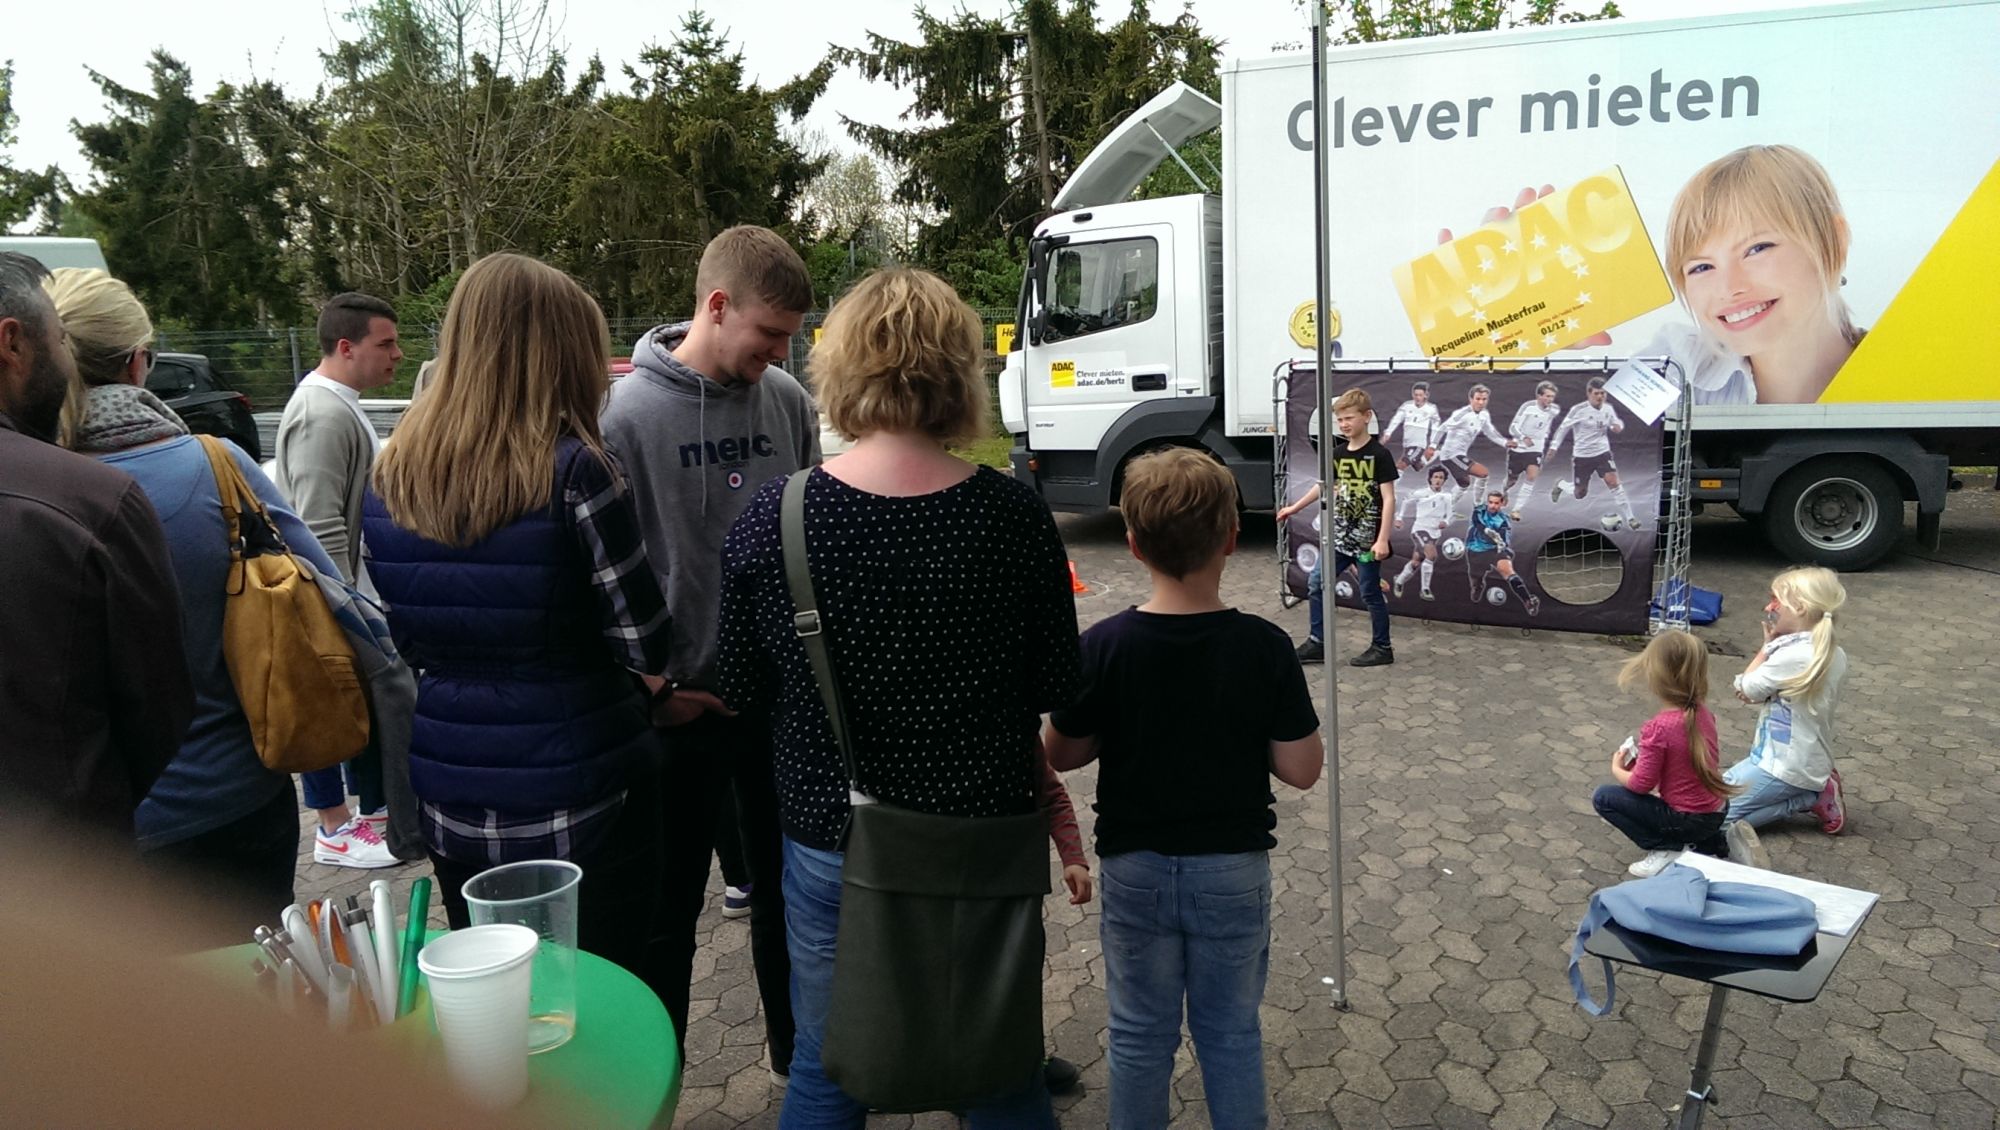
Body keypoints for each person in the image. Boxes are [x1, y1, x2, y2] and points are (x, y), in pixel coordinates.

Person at [715, 267, 1081, 1128]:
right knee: (995, 1062)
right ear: (960, 375)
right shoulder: (1013, 516)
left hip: (835, 834)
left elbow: (738, 686)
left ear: (840, 371)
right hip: (983, 836)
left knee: (830, 1058)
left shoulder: (777, 517)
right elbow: (1059, 685)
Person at [361, 253, 672, 986]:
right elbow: (644, 639)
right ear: (561, 352)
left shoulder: (392, 473)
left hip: (452, 793)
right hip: (586, 790)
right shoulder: (577, 471)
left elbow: (405, 635)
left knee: (505, 997)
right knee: (603, 994)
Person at [46, 268, 338, 937]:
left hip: (87, 836)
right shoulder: (214, 465)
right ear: (138, 361)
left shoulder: (30, 489)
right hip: (231, 803)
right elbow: (327, 594)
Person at [1044, 446, 1323, 1130]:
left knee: (1139, 1035)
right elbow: (1301, 769)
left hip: (1135, 865)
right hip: (1231, 868)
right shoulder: (1263, 646)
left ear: (1133, 544)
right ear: (1232, 538)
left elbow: (1063, 753)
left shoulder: (1104, 645)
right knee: (1231, 1034)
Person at [601, 224, 815, 1078]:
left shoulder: (788, 403)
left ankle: (799, 1063)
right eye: (769, 334)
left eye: (790, 339)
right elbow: (609, 574)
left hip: (778, 703)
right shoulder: (625, 417)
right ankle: (659, 1074)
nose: (779, 352)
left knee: (787, 897)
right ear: (717, 306)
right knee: (666, 912)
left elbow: (808, 537)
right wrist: (654, 689)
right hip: (676, 711)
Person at [0, 252, 192, 838]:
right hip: (67, 872)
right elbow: (158, 709)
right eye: (59, 340)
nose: (66, 358)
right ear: (12, 343)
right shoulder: (92, 502)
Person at [276, 291, 404, 868]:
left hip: (349, 589)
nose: (397, 355)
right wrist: (342, 608)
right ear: (346, 347)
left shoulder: (339, 402)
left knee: (354, 703)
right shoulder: (320, 413)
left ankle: (368, 814)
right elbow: (316, 519)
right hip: (331, 595)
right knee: (325, 701)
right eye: (386, 343)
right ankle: (333, 828)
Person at [1618, 144, 1861, 406]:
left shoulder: (1904, 367)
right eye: (1701, 267)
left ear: (1834, 242)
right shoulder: (1676, 366)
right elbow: (1591, 427)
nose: (1729, 288)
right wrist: (1568, 343)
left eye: (1756, 249)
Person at [1592, 630, 1736, 877]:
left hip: (1688, 819)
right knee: (1691, 816)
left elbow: (1640, 784)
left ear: (1657, 677)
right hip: (1717, 811)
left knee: (1604, 797)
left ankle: (1666, 849)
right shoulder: (1702, 713)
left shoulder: (1659, 728)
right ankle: (1714, 844)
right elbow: (1682, 764)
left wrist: (1617, 769)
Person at [1723, 566, 1850, 836]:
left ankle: (1810, 797)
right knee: (1709, 799)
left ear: (1800, 607)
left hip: (1785, 767)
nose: (1768, 606)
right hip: (1790, 759)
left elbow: (1745, 688)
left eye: (1775, 599)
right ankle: (1811, 789)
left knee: (1712, 822)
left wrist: (1766, 647)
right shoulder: (1832, 651)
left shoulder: (1791, 655)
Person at [1279, 388, 1397, 667]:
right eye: (1340, 420)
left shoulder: (1379, 455)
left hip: (1367, 542)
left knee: (1369, 592)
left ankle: (1382, 647)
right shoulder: (1337, 453)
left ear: (1366, 417)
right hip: (1338, 540)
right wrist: (1294, 507)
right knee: (1316, 584)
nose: (1344, 424)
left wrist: (1382, 540)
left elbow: (1389, 498)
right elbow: (1325, 487)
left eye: (1349, 418)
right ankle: (1317, 642)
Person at [1548, 377, 1641, 531]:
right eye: (1597, 393)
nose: (1600, 397)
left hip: (1602, 453)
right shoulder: (1578, 410)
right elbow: (1563, 428)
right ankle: (1561, 484)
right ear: (1589, 393)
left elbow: (1616, 422)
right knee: (1580, 494)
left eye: (1603, 393)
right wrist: (1554, 446)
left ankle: (1630, 518)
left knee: (1613, 482)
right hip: (1582, 456)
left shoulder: (1608, 408)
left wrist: (1617, 426)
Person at [1429, 382, 1509, 515]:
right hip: (1451, 455)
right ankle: (1478, 506)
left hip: (1459, 454)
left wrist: (1505, 443)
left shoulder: (1484, 415)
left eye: (1484, 399)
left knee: (1464, 484)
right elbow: (1443, 427)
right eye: (1478, 399)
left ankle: (1445, 510)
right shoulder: (1462, 414)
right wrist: (1432, 446)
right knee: (1483, 473)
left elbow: (1490, 432)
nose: (1481, 402)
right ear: (1471, 399)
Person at [1464, 490, 1541, 616]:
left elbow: (1504, 540)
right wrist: (1488, 531)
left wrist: (1500, 543)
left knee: (1508, 572)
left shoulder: (1504, 520)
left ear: (1502, 504)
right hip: (1475, 550)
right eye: (1490, 502)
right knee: (1476, 582)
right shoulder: (1479, 511)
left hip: (1494, 550)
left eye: (1496, 503)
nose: (1492, 506)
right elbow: (1478, 524)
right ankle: (1477, 588)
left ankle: (1528, 601)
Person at [1390, 465, 1457, 601]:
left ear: (1444, 481)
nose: (1438, 480)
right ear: (1430, 479)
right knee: (1431, 555)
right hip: (1420, 530)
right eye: (1436, 477)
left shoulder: (1447, 497)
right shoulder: (1420, 493)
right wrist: (1399, 518)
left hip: (1435, 533)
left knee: (1416, 562)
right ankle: (1425, 589)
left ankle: (1399, 581)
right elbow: (1405, 501)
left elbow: (1450, 515)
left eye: (1441, 478)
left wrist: (1446, 522)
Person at [1503, 380, 1561, 521]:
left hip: (1536, 449)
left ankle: (1516, 510)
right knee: (1512, 479)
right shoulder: (1528, 407)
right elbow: (1513, 428)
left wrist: (1548, 439)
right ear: (1539, 396)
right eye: (1547, 396)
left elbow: (1548, 425)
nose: (1549, 400)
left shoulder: (1554, 410)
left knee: (1531, 477)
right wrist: (1523, 437)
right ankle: (1504, 491)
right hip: (1519, 448)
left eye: (1552, 397)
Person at [1378, 379, 1440, 473]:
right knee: (1418, 466)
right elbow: (1396, 419)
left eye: (1420, 395)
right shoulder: (1407, 406)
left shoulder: (1431, 408)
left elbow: (1435, 427)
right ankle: (1435, 454)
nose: (1417, 397)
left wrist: (1432, 445)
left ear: (1425, 395)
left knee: (1400, 465)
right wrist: (1388, 433)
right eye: (1416, 395)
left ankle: (1391, 486)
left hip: (1419, 444)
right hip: (1407, 443)